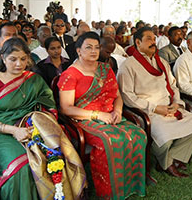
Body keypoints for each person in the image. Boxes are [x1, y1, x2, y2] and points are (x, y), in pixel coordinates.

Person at [0, 38, 85, 200]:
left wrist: (40, 125)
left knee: (55, 153)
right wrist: (14, 130)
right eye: (13, 59)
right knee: (22, 165)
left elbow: (49, 107)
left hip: (35, 127)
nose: (19, 64)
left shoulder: (34, 79)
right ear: (2, 58)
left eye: (23, 59)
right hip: (2, 132)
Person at [58, 32, 147, 199]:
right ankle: (108, 192)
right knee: (109, 140)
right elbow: (66, 108)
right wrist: (97, 115)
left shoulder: (105, 68)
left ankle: (131, 184)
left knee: (138, 134)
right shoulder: (70, 74)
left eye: (97, 48)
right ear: (78, 51)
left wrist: (118, 111)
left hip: (110, 114)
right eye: (88, 47)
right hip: (85, 118)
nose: (93, 51)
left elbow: (118, 96)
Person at [117, 27, 192, 177]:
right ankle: (167, 164)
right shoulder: (128, 65)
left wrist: (177, 102)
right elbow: (127, 96)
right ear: (138, 42)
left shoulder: (162, 62)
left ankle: (170, 159)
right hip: (147, 111)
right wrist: (155, 108)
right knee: (164, 140)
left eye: (154, 38)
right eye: (149, 39)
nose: (154, 42)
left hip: (169, 107)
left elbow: (172, 85)